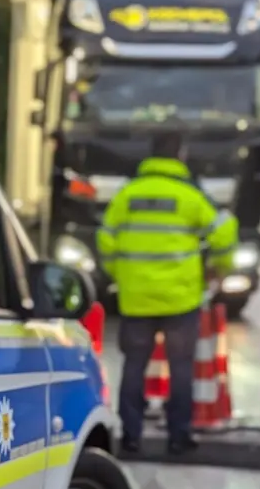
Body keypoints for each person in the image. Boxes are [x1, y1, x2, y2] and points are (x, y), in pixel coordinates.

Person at [99, 134, 238, 455]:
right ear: (181, 155)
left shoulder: (127, 195)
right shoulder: (189, 195)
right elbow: (224, 231)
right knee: (181, 367)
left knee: (134, 365)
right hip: (181, 299)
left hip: (136, 298)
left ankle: (131, 436)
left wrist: (120, 274)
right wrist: (218, 269)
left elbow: (105, 239)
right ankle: (179, 436)